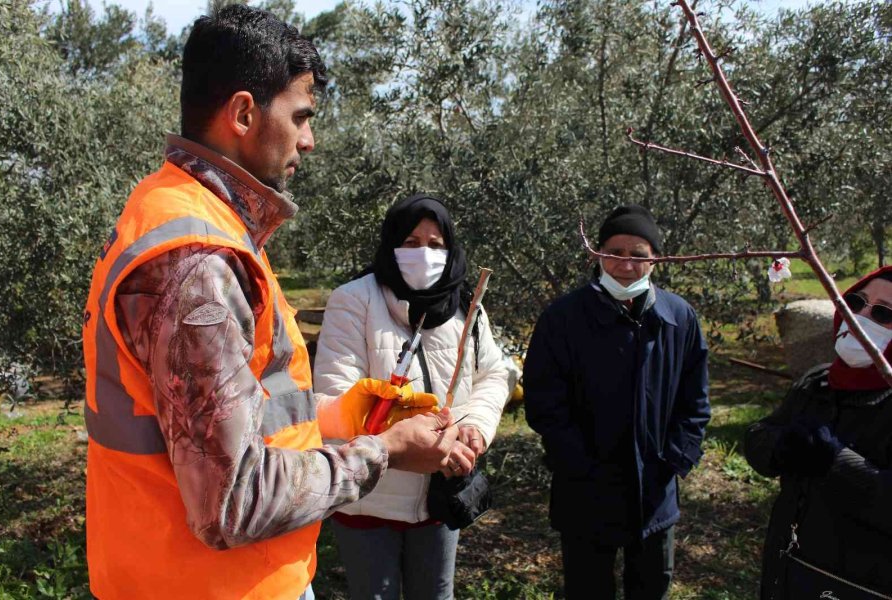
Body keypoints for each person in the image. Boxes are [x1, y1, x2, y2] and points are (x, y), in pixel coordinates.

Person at [81, 7, 464, 599]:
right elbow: (232, 502)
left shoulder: (176, 214)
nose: (309, 141)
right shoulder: (198, 262)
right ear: (241, 113)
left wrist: (347, 418)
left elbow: (239, 421)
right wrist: (381, 452)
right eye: (301, 117)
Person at [313, 193, 511, 600]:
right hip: (369, 498)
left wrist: (474, 426)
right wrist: (426, 442)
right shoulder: (354, 300)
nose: (424, 254)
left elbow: (495, 372)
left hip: (441, 494)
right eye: (411, 243)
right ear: (391, 245)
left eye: (436, 245)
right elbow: (338, 397)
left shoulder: (466, 310)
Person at [523, 204, 711, 600]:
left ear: (655, 259)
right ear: (598, 254)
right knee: (588, 589)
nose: (625, 265)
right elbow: (544, 403)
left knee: (652, 587)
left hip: (655, 492)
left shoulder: (678, 317)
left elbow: (695, 399)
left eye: (638, 255)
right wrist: (577, 462)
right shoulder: (563, 318)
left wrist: (675, 459)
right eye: (614, 253)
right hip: (585, 492)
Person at [744, 266, 892, 599]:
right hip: (787, 571)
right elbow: (759, 435)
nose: (860, 317)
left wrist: (836, 462)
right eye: (856, 302)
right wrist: (779, 446)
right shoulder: (817, 381)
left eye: (883, 313)